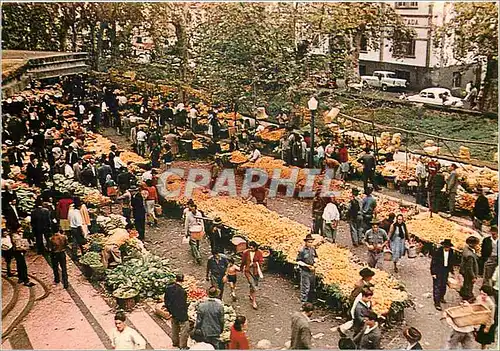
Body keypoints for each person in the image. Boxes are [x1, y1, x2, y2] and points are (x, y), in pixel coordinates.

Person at [164, 274, 189, 349]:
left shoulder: (168, 288)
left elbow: (166, 300)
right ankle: (183, 346)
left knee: (174, 328)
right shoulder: (182, 291)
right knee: (185, 329)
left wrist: (170, 310)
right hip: (181, 313)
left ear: (176, 279)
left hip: (172, 311)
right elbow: (183, 304)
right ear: (183, 280)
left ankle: (175, 342)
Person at [430, 239, 455, 311]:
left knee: (443, 285)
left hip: (445, 269)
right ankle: (437, 302)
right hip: (438, 270)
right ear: (444, 246)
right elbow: (433, 262)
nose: (447, 249)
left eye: (448, 247)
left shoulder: (451, 252)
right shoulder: (438, 251)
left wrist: (452, 271)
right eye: (446, 247)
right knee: (437, 286)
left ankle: (441, 297)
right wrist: (433, 273)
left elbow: (451, 261)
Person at [240, 241, 264, 310]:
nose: (251, 248)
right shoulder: (246, 252)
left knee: (253, 284)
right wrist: (241, 268)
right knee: (253, 285)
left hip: (255, 272)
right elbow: (243, 261)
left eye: (253, 247)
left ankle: (251, 294)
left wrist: (254, 264)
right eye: (250, 247)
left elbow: (261, 261)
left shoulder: (259, 253)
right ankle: (254, 302)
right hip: (248, 271)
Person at [474, 285, 497, 349]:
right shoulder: (478, 298)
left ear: (488, 295)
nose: (482, 296)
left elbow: (491, 317)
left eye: (484, 294)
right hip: (479, 320)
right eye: (481, 294)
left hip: (486, 323)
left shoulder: (491, 304)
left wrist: (487, 327)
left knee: (483, 341)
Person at [297, 234, 318, 303]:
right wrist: (306, 265)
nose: (310, 244)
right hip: (305, 271)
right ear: (306, 242)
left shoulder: (313, 249)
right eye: (309, 242)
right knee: (305, 287)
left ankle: (310, 302)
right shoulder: (302, 250)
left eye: (311, 242)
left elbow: (316, 257)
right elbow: (298, 261)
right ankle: (303, 302)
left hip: (312, 271)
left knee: (312, 287)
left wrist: (315, 263)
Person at [459, 235, 480, 301]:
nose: (477, 245)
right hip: (468, 273)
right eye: (476, 244)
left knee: (466, 284)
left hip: (464, 271)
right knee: (469, 285)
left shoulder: (466, 249)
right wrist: (473, 276)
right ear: (472, 244)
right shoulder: (469, 255)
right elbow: (469, 268)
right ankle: (467, 297)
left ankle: (465, 294)